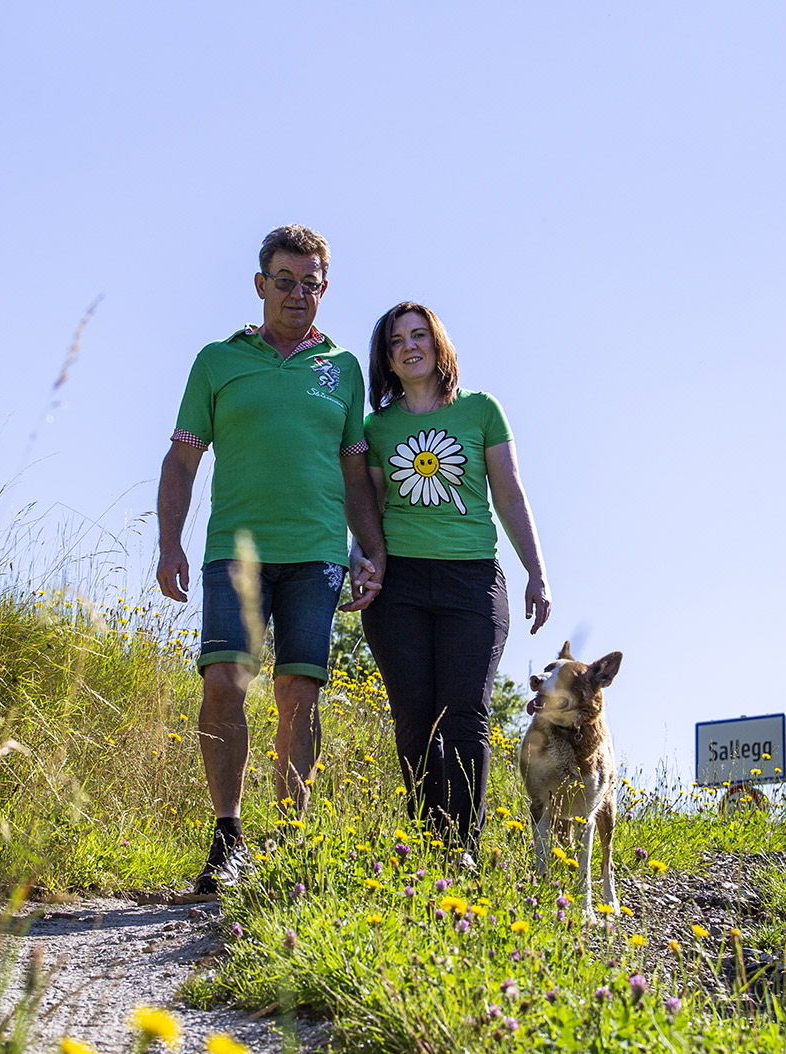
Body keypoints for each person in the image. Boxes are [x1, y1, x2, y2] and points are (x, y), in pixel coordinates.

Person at [156, 225, 386, 894]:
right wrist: (169, 541)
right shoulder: (217, 362)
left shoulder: (342, 369)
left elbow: (354, 473)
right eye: (284, 281)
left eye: (310, 284)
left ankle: (291, 847)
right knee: (225, 682)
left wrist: (371, 552)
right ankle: (228, 837)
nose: (297, 294)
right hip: (236, 551)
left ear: (324, 289)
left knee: (299, 694)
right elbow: (181, 458)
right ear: (261, 285)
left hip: (317, 556)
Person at [357, 302, 550, 855]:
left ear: (438, 345)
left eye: (420, 335)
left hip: (473, 581)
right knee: (416, 719)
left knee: (465, 712)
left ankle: (463, 850)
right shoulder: (376, 428)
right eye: (397, 341)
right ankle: (429, 847)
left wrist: (536, 571)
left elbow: (510, 495)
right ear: (386, 358)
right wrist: (362, 565)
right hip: (399, 588)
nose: (409, 346)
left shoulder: (481, 411)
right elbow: (367, 510)